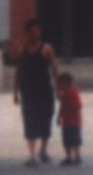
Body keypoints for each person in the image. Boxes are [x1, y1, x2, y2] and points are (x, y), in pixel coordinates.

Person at [12, 18, 59, 165]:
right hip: (28, 90)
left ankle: (43, 150)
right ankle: (32, 155)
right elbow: (18, 71)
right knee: (29, 119)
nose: (36, 33)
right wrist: (15, 92)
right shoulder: (23, 49)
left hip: (44, 89)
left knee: (46, 117)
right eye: (33, 31)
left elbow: (54, 68)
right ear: (28, 33)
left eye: (38, 30)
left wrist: (59, 88)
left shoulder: (46, 49)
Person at [56, 71, 84, 167]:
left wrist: (74, 113)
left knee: (75, 140)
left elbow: (78, 106)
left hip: (74, 121)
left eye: (61, 84)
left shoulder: (73, 94)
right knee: (66, 140)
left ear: (68, 83)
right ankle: (69, 156)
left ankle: (77, 156)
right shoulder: (64, 95)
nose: (60, 86)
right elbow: (62, 107)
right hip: (66, 121)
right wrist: (59, 117)